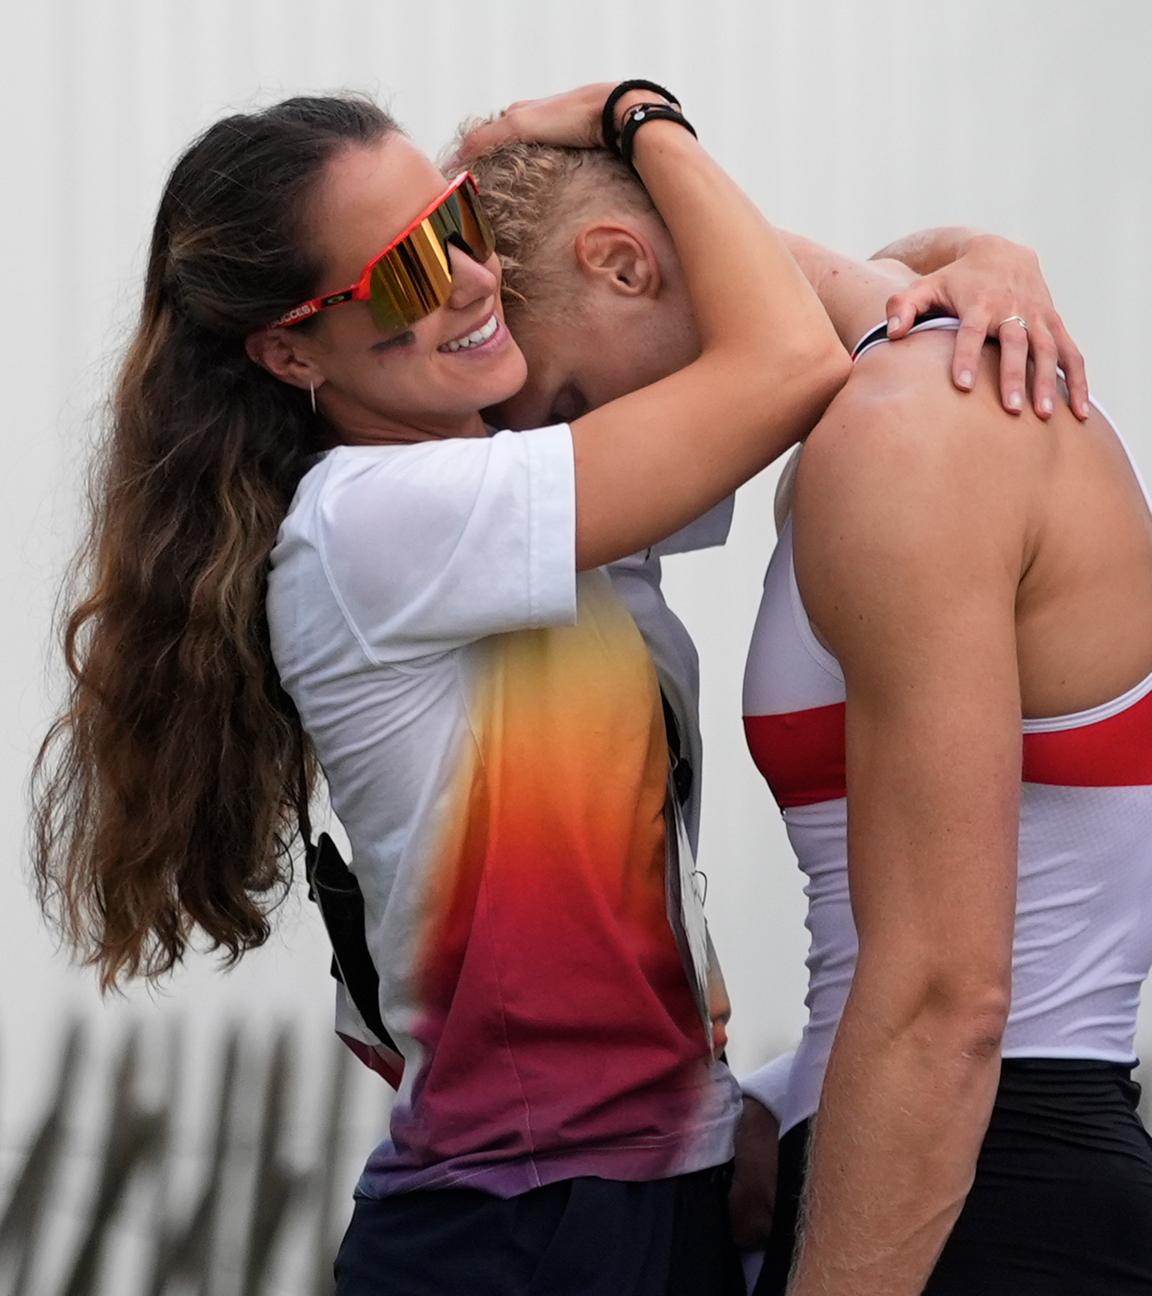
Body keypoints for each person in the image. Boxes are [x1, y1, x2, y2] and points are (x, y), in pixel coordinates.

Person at [31, 81, 853, 1296]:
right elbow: (790, 357)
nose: (474, 278)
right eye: (408, 272)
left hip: (627, 1193)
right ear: (289, 350)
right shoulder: (375, 525)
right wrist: (637, 119)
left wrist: (977, 262)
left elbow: (803, 317)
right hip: (519, 1230)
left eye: (459, 223)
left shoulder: (527, 483)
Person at [458, 110, 1152, 1294]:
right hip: (907, 1166)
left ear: (624, 264)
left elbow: (947, 999)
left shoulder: (911, 438)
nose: (589, 449)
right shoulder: (877, 401)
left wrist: (628, 113)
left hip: (980, 1190)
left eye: (568, 402)